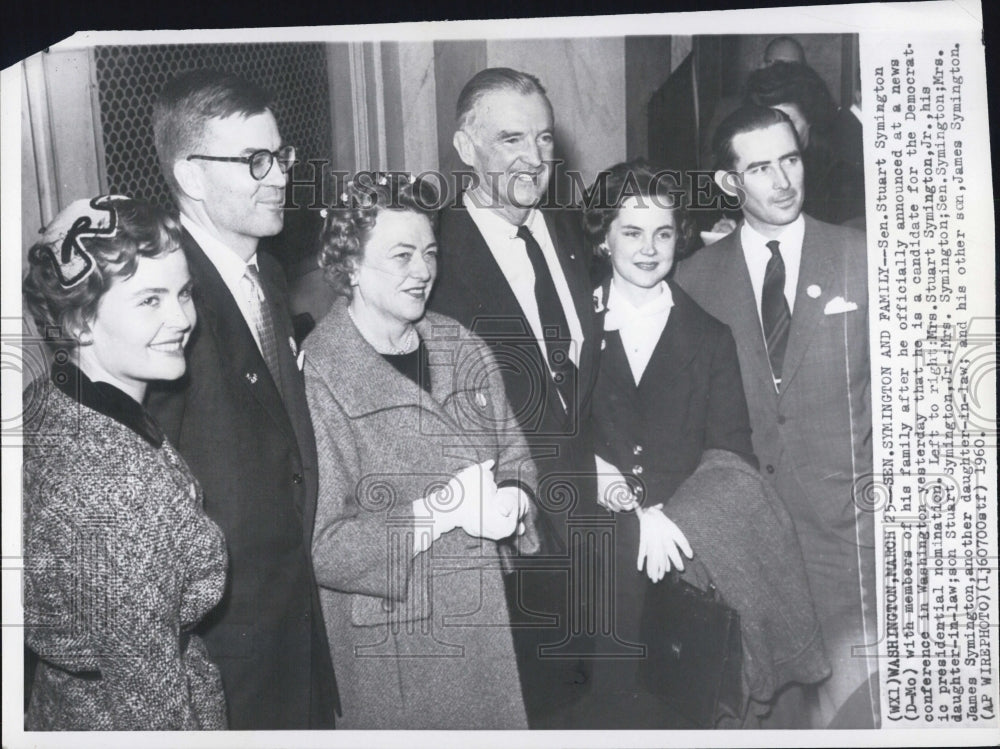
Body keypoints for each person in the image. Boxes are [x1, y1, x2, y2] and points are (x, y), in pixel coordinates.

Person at [304, 175, 534, 729]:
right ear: (351, 265)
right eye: (402, 255)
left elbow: (517, 455)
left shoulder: (459, 342)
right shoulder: (321, 374)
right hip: (401, 645)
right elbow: (326, 547)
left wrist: (515, 501)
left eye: (429, 253)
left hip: (485, 625)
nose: (424, 271)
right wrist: (435, 516)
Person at [145, 70, 337, 729]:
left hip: (290, 626)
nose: (281, 175)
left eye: (280, 156)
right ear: (192, 176)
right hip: (225, 651)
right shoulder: (166, 298)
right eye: (255, 160)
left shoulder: (269, 274)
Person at [675, 105, 877, 729]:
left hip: (851, 540)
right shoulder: (692, 280)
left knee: (856, 714)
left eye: (790, 159)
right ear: (729, 184)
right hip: (753, 546)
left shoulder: (863, 257)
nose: (784, 181)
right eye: (760, 168)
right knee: (774, 721)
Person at [427, 67, 600, 727]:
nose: (534, 159)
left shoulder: (566, 229)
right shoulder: (434, 256)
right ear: (466, 148)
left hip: (589, 536)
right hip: (509, 552)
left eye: (545, 139)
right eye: (510, 140)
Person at [22, 195, 227, 730]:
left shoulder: (50, 397)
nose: (182, 318)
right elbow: (149, 699)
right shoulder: (116, 492)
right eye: (149, 301)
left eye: (183, 293)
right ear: (79, 321)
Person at [745, 61, 865, 225]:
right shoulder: (747, 166)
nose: (777, 133)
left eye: (788, 121)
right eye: (766, 122)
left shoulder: (841, 177)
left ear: (810, 118)